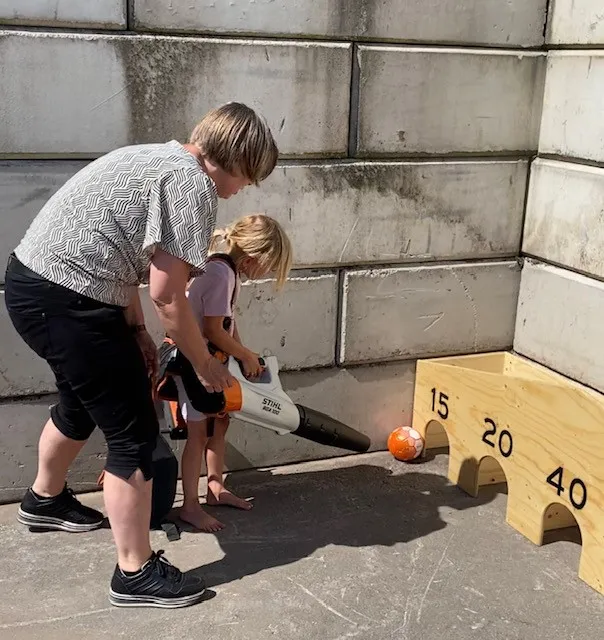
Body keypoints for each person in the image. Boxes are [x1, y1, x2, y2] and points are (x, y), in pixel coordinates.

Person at [3, 102, 278, 609]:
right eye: (249, 175)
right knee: (132, 433)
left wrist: (134, 331)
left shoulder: (157, 157)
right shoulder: (192, 185)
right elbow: (168, 296)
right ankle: (134, 572)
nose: (245, 187)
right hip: (67, 299)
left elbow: (122, 254)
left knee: (83, 399)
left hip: (42, 286)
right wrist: (204, 363)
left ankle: (44, 499)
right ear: (237, 158)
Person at [172, 214, 292, 533]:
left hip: (213, 360)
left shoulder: (227, 271)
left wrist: (241, 356)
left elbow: (227, 323)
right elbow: (212, 330)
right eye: (270, 266)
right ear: (253, 258)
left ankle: (215, 487)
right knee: (198, 434)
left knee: (220, 424)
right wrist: (245, 355)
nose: (268, 273)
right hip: (195, 363)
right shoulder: (220, 274)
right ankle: (190, 506)